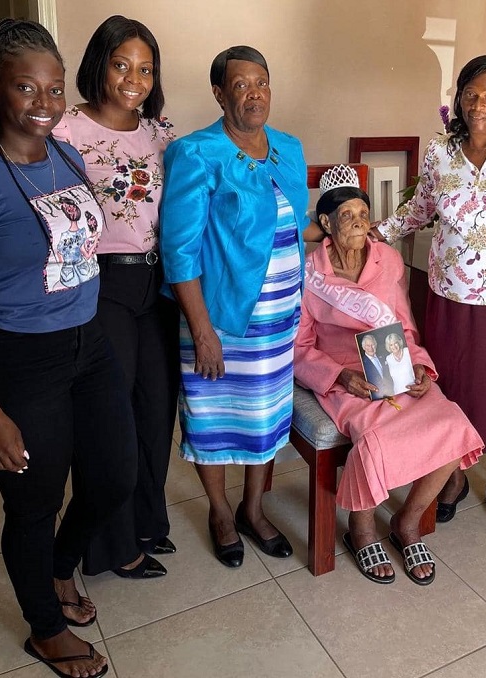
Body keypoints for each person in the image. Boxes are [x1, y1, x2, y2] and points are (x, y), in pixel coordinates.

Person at [0, 18, 138, 678]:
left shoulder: (66, 155)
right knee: (33, 502)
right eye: (25, 88)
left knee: (114, 476)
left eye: (53, 89)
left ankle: (61, 565)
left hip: (88, 342)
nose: (43, 104)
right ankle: (43, 628)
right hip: (21, 359)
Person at [293, 164, 485, 585]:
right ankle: (360, 530)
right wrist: (339, 379)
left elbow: (406, 324)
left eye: (364, 214)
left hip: (394, 364)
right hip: (343, 374)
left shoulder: (389, 260)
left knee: (452, 423)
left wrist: (419, 365)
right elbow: (301, 347)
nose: (360, 223)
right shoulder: (309, 271)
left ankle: (407, 521)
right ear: (325, 223)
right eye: (348, 216)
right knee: (376, 437)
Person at [158, 45, 307, 568]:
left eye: (262, 82)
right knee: (215, 418)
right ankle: (221, 512)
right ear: (219, 93)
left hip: (279, 320)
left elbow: (291, 224)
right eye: (240, 84)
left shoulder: (289, 148)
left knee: (265, 418)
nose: (254, 93)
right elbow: (178, 249)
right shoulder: (196, 153)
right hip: (219, 319)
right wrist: (202, 331)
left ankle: (253, 508)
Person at [374, 54, 486, 536]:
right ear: (457, 99)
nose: (478, 104)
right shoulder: (441, 152)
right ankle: (454, 478)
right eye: (469, 94)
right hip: (448, 297)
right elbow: (416, 212)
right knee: (451, 392)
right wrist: (370, 232)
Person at [49, 14, 180, 577]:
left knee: (156, 409)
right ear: (98, 65)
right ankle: (111, 545)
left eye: (146, 69)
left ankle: (149, 522)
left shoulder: (160, 132)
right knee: (112, 420)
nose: (134, 78)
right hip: (102, 284)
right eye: (122, 64)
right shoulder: (67, 130)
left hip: (159, 282)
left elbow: (194, 203)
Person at [359, 333, 393, 400]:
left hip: (391, 391)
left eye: (373, 345)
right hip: (376, 396)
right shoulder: (362, 362)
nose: (371, 348)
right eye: (368, 346)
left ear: (376, 345)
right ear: (363, 347)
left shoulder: (384, 358)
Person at [384, 331, 415, 396]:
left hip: (413, 390)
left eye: (395, 343)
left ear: (399, 342)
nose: (394, 346)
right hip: (398, 392)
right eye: (391, 345)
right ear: (388, 346)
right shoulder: (388, 358)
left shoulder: (407, 351)